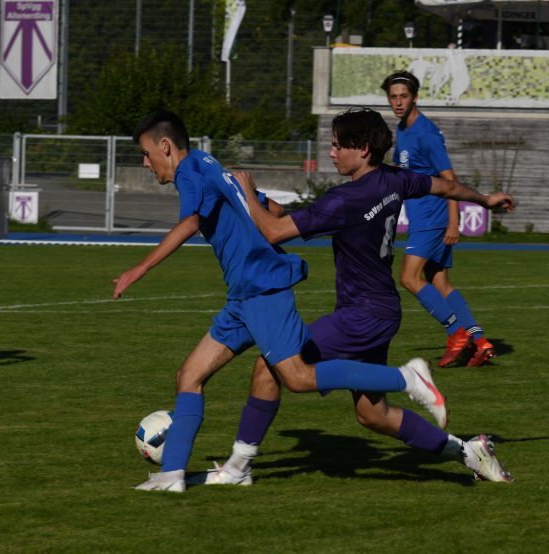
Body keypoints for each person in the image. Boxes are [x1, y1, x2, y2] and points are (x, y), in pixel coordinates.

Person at [113, 109, 450, 493]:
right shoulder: (210, 163)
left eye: (145, 153)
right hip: (243, 294)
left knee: (298, 377)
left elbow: (190, 222)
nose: (145, 162)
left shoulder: (190, 170)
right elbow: (268, 207)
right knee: (189, 375)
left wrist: (138, 269)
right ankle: (172, 476)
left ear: (166, 146)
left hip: (262, 289)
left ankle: (405, 378)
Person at [204, 107, 515, 486]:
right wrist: (485, 200)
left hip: (362, 314)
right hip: (380, 312)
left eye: (338, 146)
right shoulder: (394, 180)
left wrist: (247, 191)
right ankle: (468, 451)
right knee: (373, 416)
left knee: (271, 367)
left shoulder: (343, 200)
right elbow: (447, 187)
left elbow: (272, 232)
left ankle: (239, 467)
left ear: (363, 149)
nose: (331, 153)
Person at [382, 70, 495, 368]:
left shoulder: (426, 133)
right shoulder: (403, 128)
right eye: (393, 97)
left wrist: (453, 222)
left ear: (415, 97)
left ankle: (455, 333)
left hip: (433, 215)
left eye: (403, 96)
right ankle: (479, 342)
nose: (397, 102)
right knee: (439, 280)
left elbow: (450, 179)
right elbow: (404, 168)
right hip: (425, 216)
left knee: (408, 277)